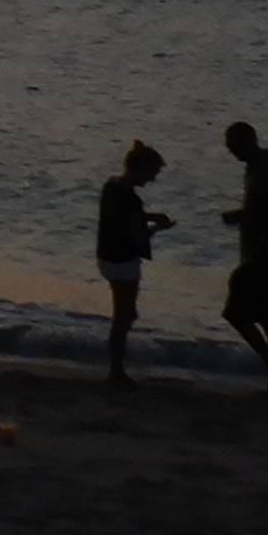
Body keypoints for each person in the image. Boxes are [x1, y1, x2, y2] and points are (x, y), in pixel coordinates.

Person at [218, 119, 268, 398]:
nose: (231, 151)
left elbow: (263, 211)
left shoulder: (264, 171)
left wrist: (236, 216)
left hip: (264, 253)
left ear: (247, 141)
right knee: (267, 319)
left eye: (233, 145)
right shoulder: (259, 167)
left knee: (238, 314)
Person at [92, 142, 172, 386]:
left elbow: (122, 216)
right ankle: (116, 372)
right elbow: (137, 238)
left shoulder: (111, 186)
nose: (152, 180)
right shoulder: (131, 200)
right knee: (124, 316)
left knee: (125, 314)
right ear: (140, 169)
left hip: (106, 256)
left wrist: (149, 216)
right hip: (124, 260)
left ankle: (117, 369)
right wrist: (157, 228)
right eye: (152, 174)